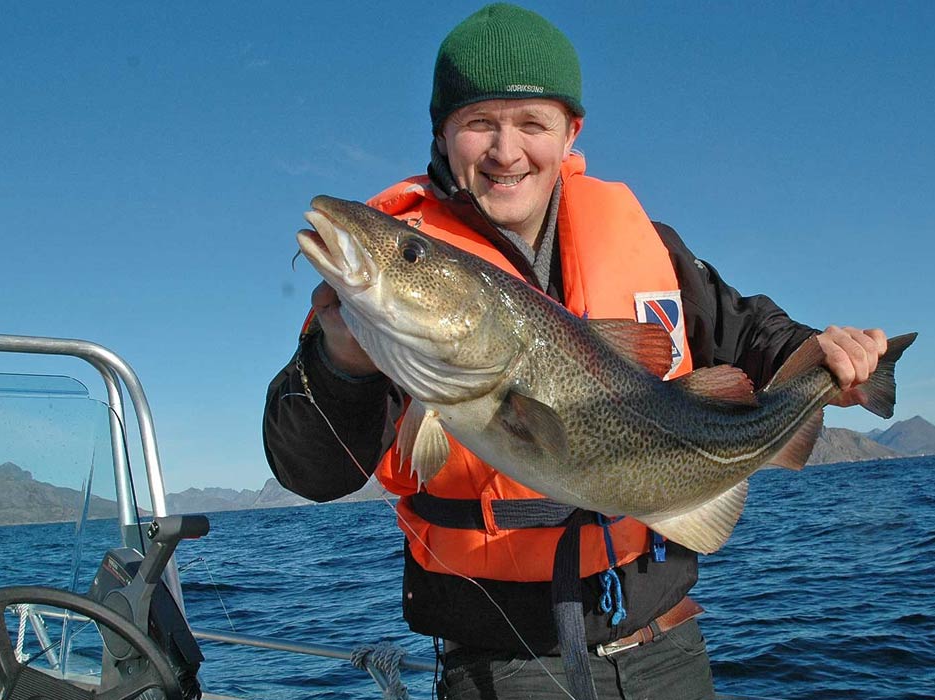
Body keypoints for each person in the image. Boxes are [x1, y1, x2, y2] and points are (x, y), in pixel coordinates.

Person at [263, 4, 888, 698]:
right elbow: (310, 471)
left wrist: (818, 355)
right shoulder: (369, 313)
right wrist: (342, 363)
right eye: (479, 123)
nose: (506, 152)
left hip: (668, 644)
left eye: (532, 123)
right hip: (505, 667)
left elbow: (750, 330)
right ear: (441, 132)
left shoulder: (648, 241)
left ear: (570, 133)